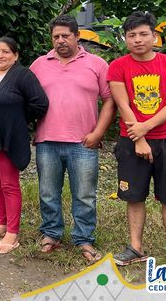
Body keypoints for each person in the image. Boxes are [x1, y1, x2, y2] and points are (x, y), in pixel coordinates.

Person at [30, 14, 115, 263]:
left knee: (85, 195)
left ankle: (84, 238)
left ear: (77, 36)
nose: (60, 41)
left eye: (65, 36)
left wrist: (98, 133)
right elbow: (26, 98)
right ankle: (51, 234)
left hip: (84, 142)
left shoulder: (97, 64)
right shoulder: (39, 64)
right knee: (48, 192)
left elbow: (110, 100)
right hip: (47, 140)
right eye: (56, 36)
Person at [107, 11, 166, 266]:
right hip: (131, 140)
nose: (138, 40)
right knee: (134, 196)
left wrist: (146, 127)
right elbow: (123, 105)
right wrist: (139, 138)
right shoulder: (118, 66)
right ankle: (135, 248)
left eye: (143, 34)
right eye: (131, 35)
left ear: (154, 36)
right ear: (125, 39)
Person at [0, 37, 48, 254]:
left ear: (16, 55)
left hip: (6, 139)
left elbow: (40, 103)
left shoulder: (22, 75)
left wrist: (17, 121)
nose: (1, 55)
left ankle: (12, 234)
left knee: (9, 185)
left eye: (6, 52)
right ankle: (1, 224)